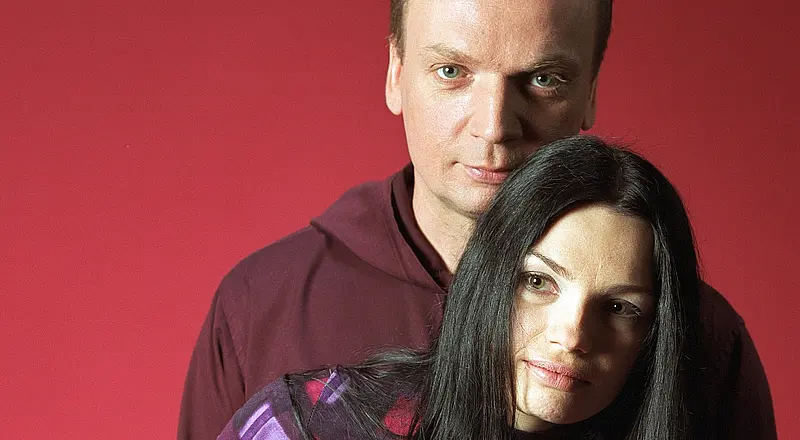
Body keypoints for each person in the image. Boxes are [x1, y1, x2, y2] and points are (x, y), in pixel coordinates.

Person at [179, 0, 776, 438]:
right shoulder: (262, 305)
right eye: (451, 71)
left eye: (543, 79)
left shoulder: (697, 336)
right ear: (395, 73)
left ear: (591, 90)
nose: (494, 127)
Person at [216, 136, 701, 440]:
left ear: (655, 335)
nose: (572, 336)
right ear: (485, 279)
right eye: (537, 282)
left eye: (619, 308)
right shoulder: (313, 425)